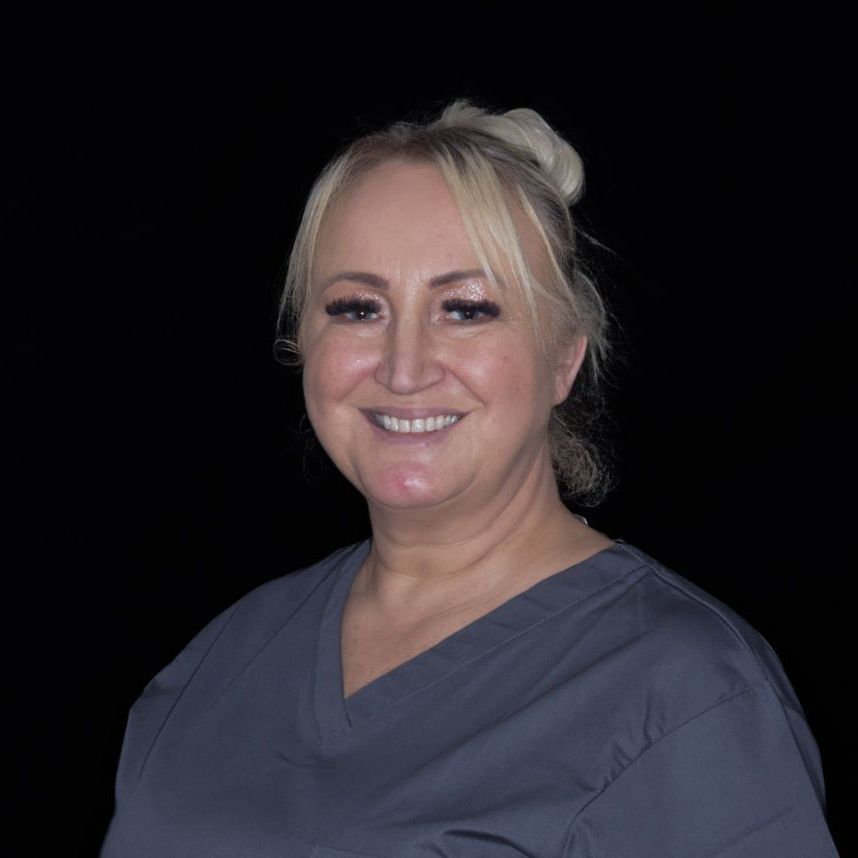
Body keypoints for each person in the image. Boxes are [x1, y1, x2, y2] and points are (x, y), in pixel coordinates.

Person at [99, 98, 839, 857]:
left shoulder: (686, 692)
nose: (404, 366)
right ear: (303, 343)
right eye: (357, 309)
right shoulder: (220, 662)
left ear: (563, 359)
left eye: (466, 309)